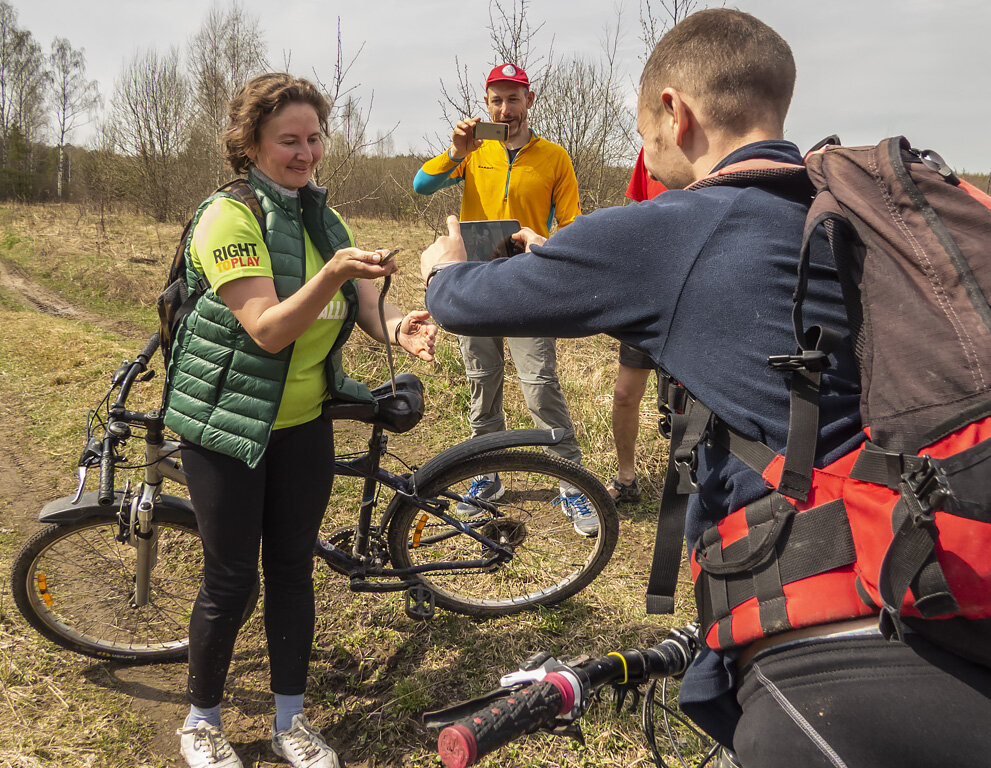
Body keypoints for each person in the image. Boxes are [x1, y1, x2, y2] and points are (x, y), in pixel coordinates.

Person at [419, 10, 991, 768]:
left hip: (831, 676)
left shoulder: (675, 224)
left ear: (676, 111)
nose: (647, 150)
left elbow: (466, 301)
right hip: (965, 613)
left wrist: (443, 261)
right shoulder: (844, 214)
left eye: (645, 129)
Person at [164, 72, 436, 768]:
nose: (306, 153)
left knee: (291, 569)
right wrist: (336, 275)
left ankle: (292, 721)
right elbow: (268, 330)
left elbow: (358, 307)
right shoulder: (227, 218)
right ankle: (201, 721)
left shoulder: (322, 215)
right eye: (289, 140)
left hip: (302, 426)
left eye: (314, 138)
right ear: (250, 143)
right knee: (232, 581)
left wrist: (397, 325)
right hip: (226, 428)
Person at [412, 62, 597, 536]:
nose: (505, 108)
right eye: (496, 99)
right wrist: (456, 153)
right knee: (482, 381)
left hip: (527, 283)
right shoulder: (474, 152)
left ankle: (572, 482)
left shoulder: (554, 157)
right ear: (486, 102)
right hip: (474, 281)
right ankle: (485, 475)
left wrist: (546, 243)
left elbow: (573, 224)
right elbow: (422, 185)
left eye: (514, 99)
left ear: (529, 101)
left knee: (538, 382)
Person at [607, 148, 668, 504]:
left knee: (687, 403)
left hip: (694, 292)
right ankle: (627, 479)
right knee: (625, 394)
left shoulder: (715, 145)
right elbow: (637, 212)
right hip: (648, 292)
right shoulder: (651, 150)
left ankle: (698, 485)